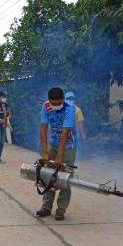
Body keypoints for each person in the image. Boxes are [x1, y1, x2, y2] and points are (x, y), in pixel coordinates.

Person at [36, 87, 79, 221]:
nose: (55, 106)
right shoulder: (46, 106)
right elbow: (43, 129)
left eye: (58, 103)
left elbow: (65, 133)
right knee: (47, 175)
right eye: (53, 103)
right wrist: (44, 152)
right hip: (53, 143)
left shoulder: (69, 108)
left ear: (63, 99)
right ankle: (46, 206)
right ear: (49, 100)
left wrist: (60, 156)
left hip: (69, 145)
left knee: (65, 177)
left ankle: (61, 209)